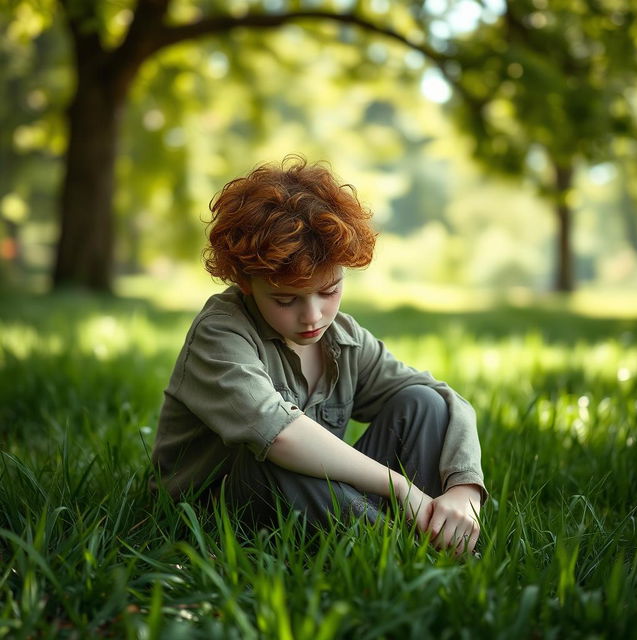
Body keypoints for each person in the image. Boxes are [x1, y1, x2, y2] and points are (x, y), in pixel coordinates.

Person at [151, 156, 486, 554]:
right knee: (280, 456)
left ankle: (424, 538)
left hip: (308, 506)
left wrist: (466, 490)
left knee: (423, 404)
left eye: (329, 292)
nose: (313, 316)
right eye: (285, 299)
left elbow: (442, 397)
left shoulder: (342, 338)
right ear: (245, 282)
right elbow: (279, 437)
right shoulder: (221, 332)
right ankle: (399, 556)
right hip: (221, 516)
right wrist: (399, 487)